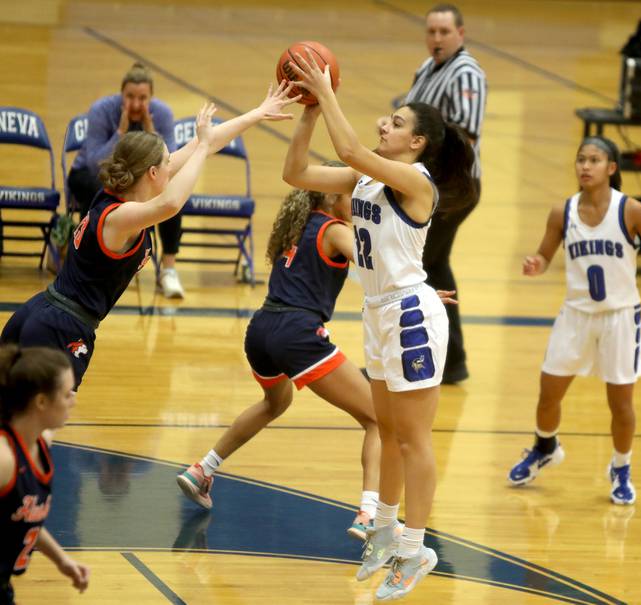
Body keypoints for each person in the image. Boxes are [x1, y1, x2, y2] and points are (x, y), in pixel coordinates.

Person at [283, 53, 475, 600]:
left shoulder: (416, 181)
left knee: (414, 439)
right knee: (387, 432)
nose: (384, 124)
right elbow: (295, 173)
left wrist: (326, 89)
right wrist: (310, 111)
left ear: (416, 143)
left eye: (396, 122)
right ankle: (387, 535)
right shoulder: (368, 179)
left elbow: (350, 150)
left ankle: (416, 550)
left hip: (409, 316)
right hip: (379, 313)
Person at [1, 84, 298, 391]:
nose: (172, 167)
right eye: (167, 164)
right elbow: (170, 204)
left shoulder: (116, 195)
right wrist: (203, 147)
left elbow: (203, 146)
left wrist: (258, 113)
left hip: (42, 313)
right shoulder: (118, 217)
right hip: (60, 326)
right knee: (44, 418)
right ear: (153, 174)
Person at [176, 173, 383, 540]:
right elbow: (374, 263)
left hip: (261, 329)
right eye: (353, 195)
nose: (358, 203)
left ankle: (202, 469)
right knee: (378, 419)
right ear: (333, 198)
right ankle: (369, 514)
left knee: (275, 403)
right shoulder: (334, 229)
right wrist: (421, 289)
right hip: (297, 333)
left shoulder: (299, 225)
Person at [507, 136, 641, 505]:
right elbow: (544, 255)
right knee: (548, 393)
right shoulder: (561, 212)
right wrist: (536, 265)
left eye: (594, 160)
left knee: (621, 404)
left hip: (620, 318)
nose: (585, 166)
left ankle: (621, 467)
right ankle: (545, 446)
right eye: (581, 159)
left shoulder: (632, 211)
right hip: (576, 315)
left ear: (611, 168)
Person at [387, 3, 487, 383]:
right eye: (431, 32)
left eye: (444, 32)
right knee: (434, 264)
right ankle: (451, 359)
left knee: (418, 265)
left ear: (460, 34)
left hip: (452, 188)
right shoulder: (426, 68)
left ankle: (430, 359)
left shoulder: (468, 73)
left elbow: (467, 133)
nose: (437, 39)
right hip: (429, 184)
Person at [67, 62, 186, 298]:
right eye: (130, 96)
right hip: (91, 175)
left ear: (151, 97)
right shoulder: (102, 109)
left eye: (142, 98)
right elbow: (94, 164)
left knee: (170, 195)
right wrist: (119, 133)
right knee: (94, 189)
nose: (135, 104)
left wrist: (152, 132)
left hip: (137, 178)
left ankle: (169, 269)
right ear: (121, 94)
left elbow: (169, 164)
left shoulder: (161, 114)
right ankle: (93, 261)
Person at [0, 345, 89, 604]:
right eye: (65, 393)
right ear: (41, 402)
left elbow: (22, 518)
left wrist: (61, 560)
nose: (73, 398)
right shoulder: (4, 459)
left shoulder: (40, 443)